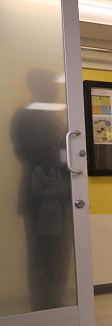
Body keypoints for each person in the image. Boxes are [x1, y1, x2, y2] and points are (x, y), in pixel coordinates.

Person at [10, 69, 73, 312]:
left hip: (62, 195)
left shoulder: (54, 117)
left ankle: (55, 302)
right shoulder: (23, 116)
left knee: (61, 251)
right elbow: (25, 153)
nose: (57, 89)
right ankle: (41, 307)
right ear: (36, 86)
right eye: (52, 84)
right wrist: (56, 144)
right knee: (41, 253)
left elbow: (67, 152)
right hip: (39, 197)